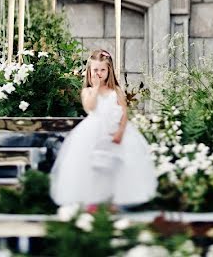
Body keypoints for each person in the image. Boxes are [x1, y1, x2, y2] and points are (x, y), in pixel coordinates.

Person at [50, 48, 157, 208]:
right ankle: (94, 201)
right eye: (95, 70)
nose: (99, 73)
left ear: (109, 71)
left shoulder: (116, 91)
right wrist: (95, 88)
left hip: (116, 131)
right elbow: (90, 107)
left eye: (102, 70)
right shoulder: (87, 91)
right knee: (93, 165)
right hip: (93, 132)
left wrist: (120, 132)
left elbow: (124, 113)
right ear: (90, 71)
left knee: (116, 165)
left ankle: (114, 201)